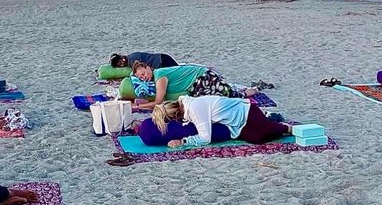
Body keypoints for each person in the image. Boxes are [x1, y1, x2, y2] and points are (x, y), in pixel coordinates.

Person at [152, 95, 291, 148]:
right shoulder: (188, 108)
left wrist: (183, 142)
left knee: (263, 135)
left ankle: (283, 127)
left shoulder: (194, 109)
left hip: (247, 112)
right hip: (236, 124)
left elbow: (205, 138)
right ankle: (269, 119)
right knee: (255, 138)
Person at [129, 61, 257, 110]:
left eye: (143, 73)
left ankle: (253, 90)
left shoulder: (159, 75)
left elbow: (158, 101)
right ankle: (243, 90)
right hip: (194, 87)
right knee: (216, 100)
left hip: (202, 76)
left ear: (148, 68)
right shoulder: (153, 80)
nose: (143, 77)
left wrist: (138, 106)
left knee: (234, 96)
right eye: (141, 77)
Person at [110, 52, 179, 69]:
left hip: (162, 60)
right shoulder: (130, 64)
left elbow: (143, 69)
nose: (121, 64)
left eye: (120, 62)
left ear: (121, 58)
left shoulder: (133, 58)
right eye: (119, 65)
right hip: (160, 64)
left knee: (177, 71)